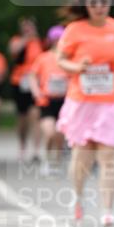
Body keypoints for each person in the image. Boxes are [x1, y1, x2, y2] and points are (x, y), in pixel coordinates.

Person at [56, 0, 114, 226]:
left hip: (112, 101)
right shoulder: (74, 30)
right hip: (82, 101)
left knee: (108, 158)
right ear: (85, 5)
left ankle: (107, 210)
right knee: (82, 156)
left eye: (104, 1)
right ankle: (78, 198)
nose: (99, 6)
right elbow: (61, 60)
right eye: (93, 2)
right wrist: (78, 67)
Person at [28, 25, 68, 175]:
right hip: (47, 101)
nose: (58, 42)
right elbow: (32, 75)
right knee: (50, 132)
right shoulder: (43, 57)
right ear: (51, 40)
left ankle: (56, 161)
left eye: (61, 39)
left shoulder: (69, 57)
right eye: (55, 39)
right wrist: (36, 91)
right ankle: (47, 159)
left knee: (60, 134)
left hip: (64, 101)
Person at [8, 17, 43, 161]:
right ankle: (22, 145)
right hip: (20, 82)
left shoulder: (39, 43)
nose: (28, 29)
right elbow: (13, 51)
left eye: (30, 26)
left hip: (35, 82)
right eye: (25, 27)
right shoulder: (17, 40)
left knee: (35, 114)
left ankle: (36, 150)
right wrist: (26, 39)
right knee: (22, 118)